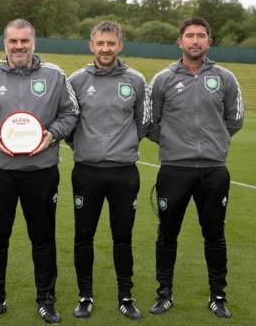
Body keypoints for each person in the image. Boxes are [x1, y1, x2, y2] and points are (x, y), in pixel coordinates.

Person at [0, 19, 78, 324]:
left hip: (41, 171)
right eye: (13, 41)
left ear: (33, 43)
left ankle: (46, 299)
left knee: (43, 237)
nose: (18, 46)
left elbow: (71, 113)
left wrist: (51, 134)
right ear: (5, 44)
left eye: (24, 41)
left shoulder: (55, 76)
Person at [147, 17, 244, 319]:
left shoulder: (225, 78)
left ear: (209, 42)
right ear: (180, 41)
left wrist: (213, 142)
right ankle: (164, 293)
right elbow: (149, 121)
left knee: (214, 235)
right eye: (189, 36)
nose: (195, 41)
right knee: (167, 234)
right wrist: (176, 144)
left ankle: (218, 295)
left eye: (201, 36)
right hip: (174, 170)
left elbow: (235, 119)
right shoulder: (162, 79)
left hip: (214, 171)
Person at [66, 21, 149, 320]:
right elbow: (68, 123)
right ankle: (85, 295)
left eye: (110, 43)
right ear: (91, 45)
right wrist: (86, 147)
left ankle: (125, 296)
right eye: (100, 43)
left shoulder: (136, 80)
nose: (105, 49)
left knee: (122, 237)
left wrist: (120, 146)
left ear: (120, 45)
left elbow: (143, 123)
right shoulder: (75, 81)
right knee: (83, 236)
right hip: (86, 172)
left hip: (124, 173)